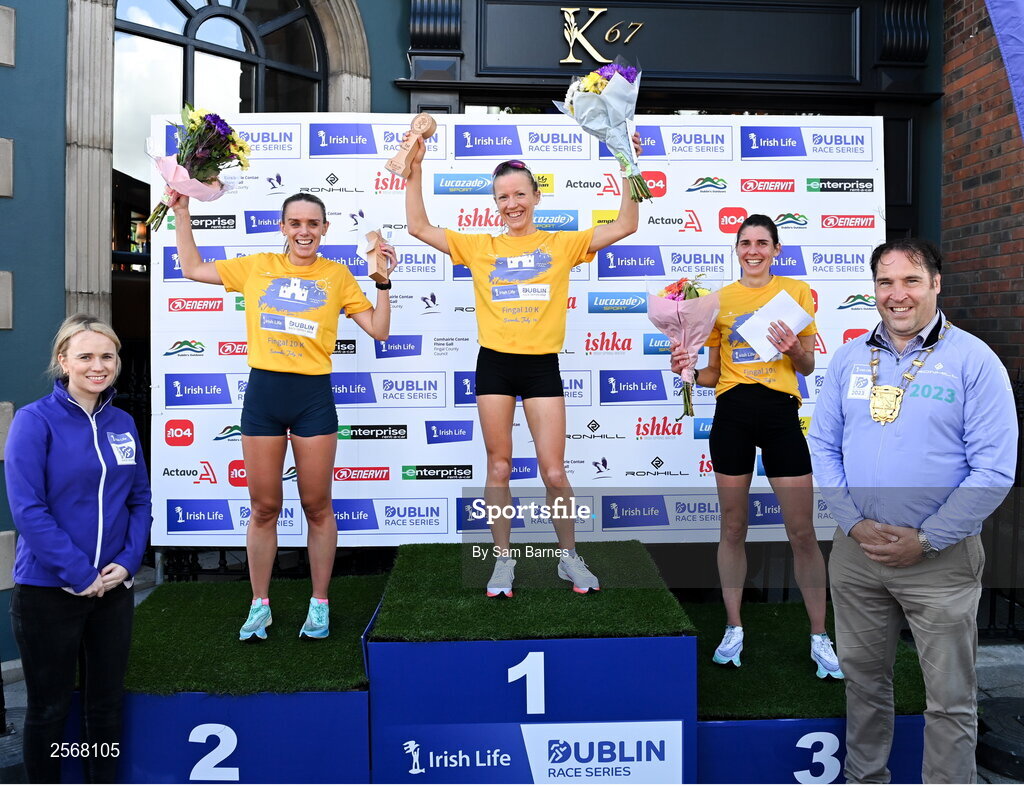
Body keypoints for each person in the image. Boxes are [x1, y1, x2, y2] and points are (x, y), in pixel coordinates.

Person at [808, 238, 1017, 783]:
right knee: (864, 685)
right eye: (885, 282)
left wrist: (924, 540)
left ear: (935, 285)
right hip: (856, 556)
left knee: (950, 700)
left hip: (940, 561)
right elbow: (824, 447)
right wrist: (853, 523)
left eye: (910, 281)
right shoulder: (851, 356)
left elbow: (993, 471)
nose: (896, 295)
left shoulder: (974, 360)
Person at [404, 132, 643, 597]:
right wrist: (415, 167)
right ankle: (502, 561)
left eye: (519, 194)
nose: (511, 203)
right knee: (499, 468)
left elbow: (625, 225)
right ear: (495, 204)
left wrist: (626, 162)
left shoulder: (562, 242)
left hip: (541, 369)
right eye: (502, 197)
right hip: (495, 364)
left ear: (536, 196)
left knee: (554, 472)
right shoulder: (479, 247)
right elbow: (417, 226)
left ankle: (569, 557)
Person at [172, 192, 396, 640]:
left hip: (312, 396)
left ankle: (319, 604)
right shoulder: (255, 266)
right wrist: (181, 212)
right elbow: (193, 268)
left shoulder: (336, 276)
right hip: (264, 396)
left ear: (325, 229)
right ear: (282, 227)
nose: (304, 231)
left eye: (313, 223)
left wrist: (384, 282)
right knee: (264, 508)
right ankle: (259, 604)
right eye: (295, 223)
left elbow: (379, 329)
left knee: (317, 506)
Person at [670, 213, 842, 677]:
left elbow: (807, 367)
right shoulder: (718, 301)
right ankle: (733, 626)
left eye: (762, 243)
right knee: (732, 526)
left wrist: (794, 350)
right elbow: (710, 374)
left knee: (802, 532)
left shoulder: (797, 292)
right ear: (737, 248)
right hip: (733, 416)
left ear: (776, 249)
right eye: (745, 242)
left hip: (782, 416)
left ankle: (819, 636)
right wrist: (684, 370)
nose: (753, 250)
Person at [6, 314, 152, 783]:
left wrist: (127, 564)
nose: (98, 365)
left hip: (112, 590)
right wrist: (79, 573)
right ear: (63, 361)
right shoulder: (34, 420)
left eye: (107, 356)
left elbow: (139, 499)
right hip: (49, 592)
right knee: (48, 710)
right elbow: (28, 510)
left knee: (105, 706)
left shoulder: (123, 422)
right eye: (86, 356)